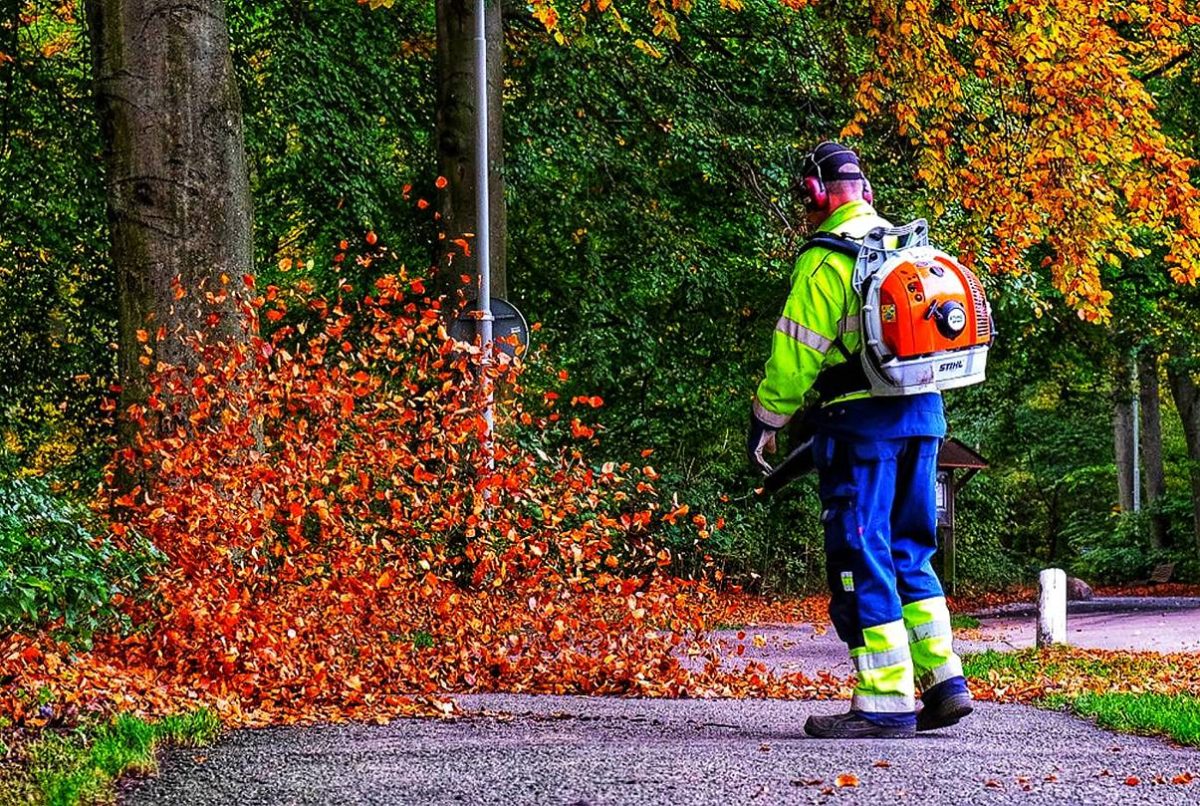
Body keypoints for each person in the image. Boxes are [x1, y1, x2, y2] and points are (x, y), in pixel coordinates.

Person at [747, 141, 973, 739]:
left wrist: (766, 422)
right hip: (925, 417)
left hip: (860, 428)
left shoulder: (825, 262)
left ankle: (884, 701)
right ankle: (945, 681)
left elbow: (794, 357)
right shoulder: (909, 249)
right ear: (867, 192)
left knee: (860, 552)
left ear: (816, 195)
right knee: (911, 549)